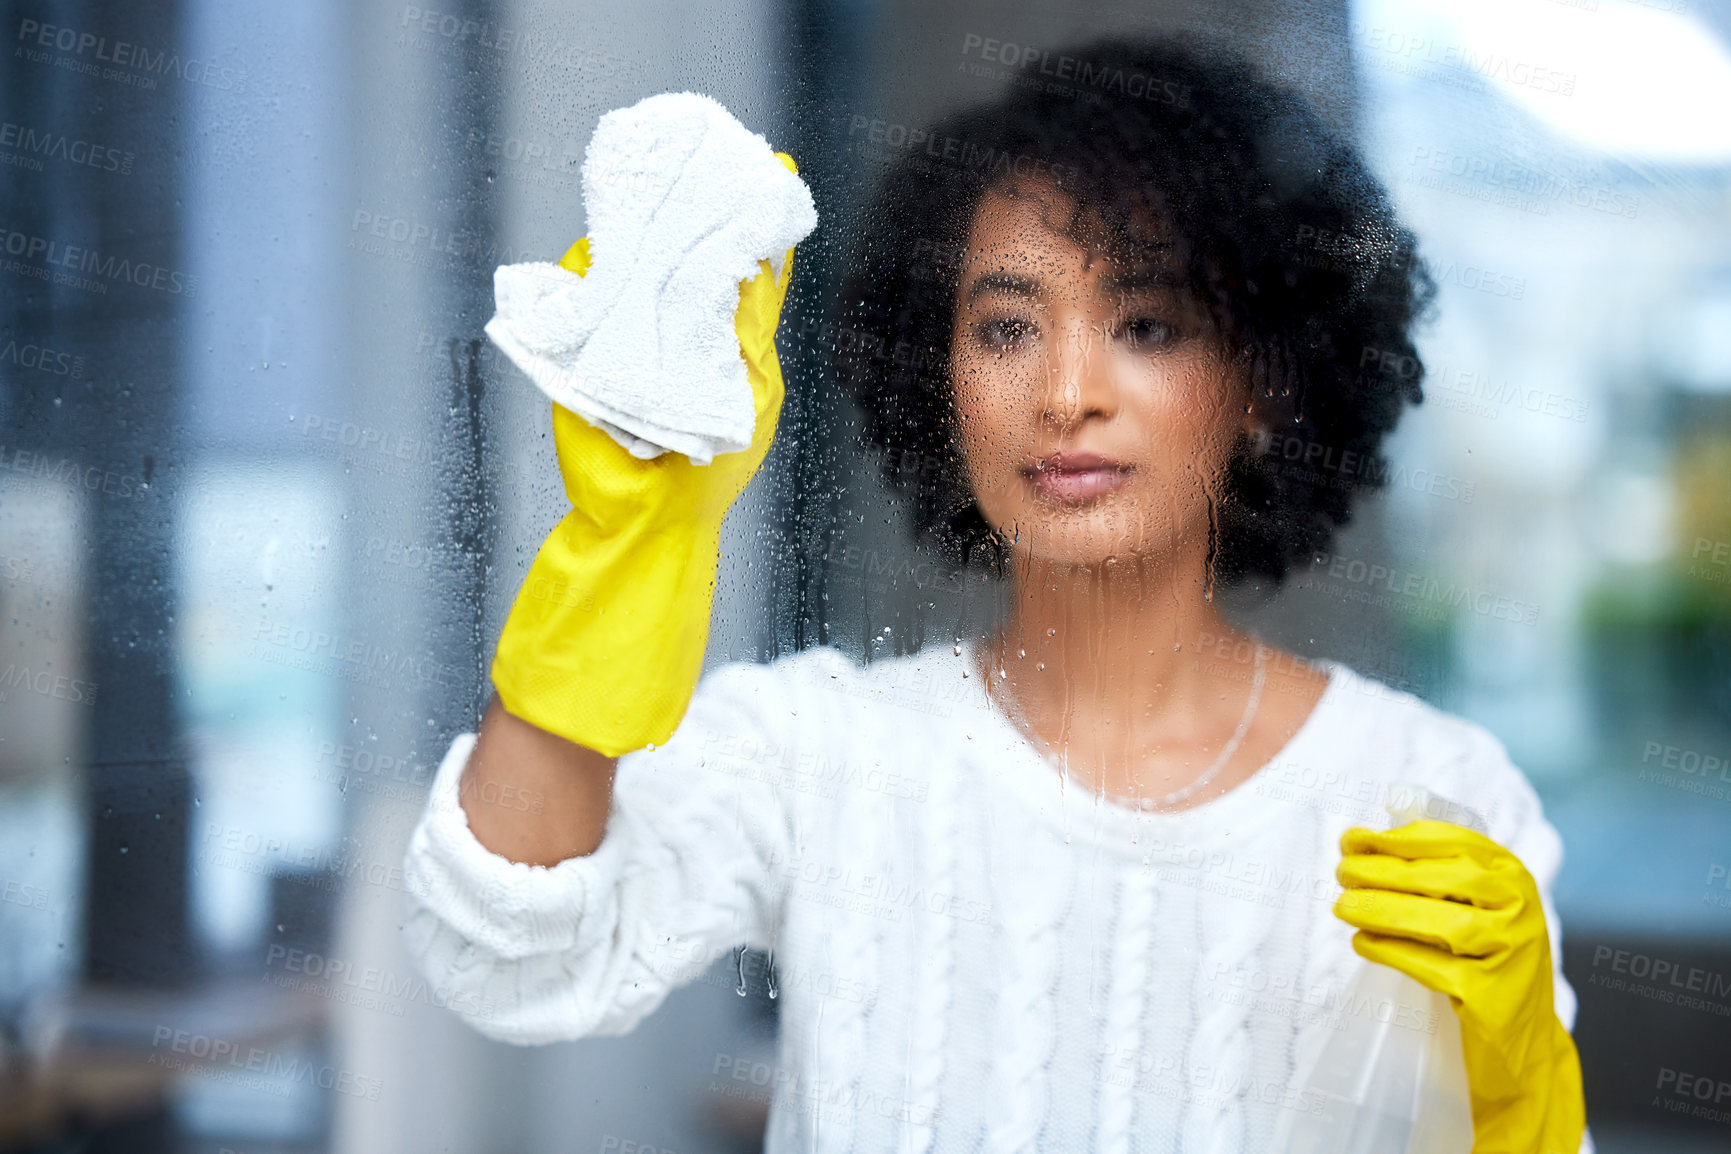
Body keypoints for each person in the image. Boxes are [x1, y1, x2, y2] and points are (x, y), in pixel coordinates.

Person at [403, 38, 1588, 1153]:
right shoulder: (817, 749)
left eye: (1147, 322)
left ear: (1266, 381)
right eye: (1008, 326)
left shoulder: (1436, 801)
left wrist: (1521, 1077)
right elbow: (510, 954)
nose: (1067, 390)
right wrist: (630, 539)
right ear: (943, 380)